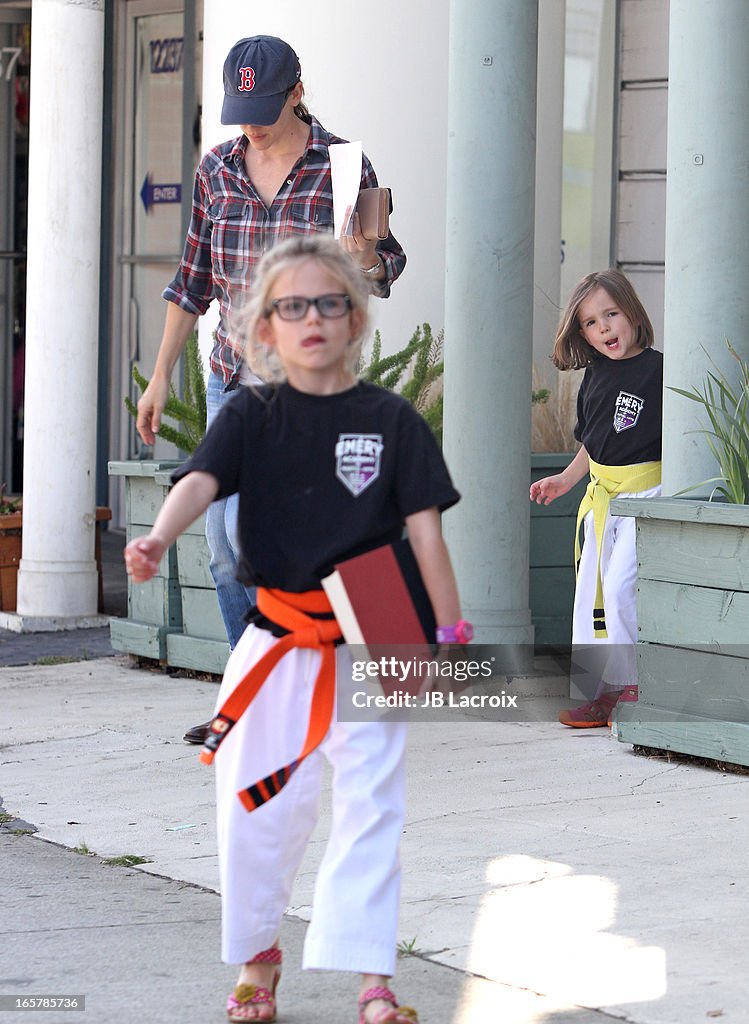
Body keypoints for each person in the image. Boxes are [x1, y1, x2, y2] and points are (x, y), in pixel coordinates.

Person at [124, 235, 468, 1023]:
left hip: (378, 616)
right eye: (291, 306)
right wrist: (158, 537)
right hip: (280, 624)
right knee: (252, 797)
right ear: (264, 328)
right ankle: (258, 957)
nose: (311, 317)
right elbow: (202, 480)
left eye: (328, 302)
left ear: (356, 318)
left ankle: (370, 977)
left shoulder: (391, 419)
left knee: (372, 803)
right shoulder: (251, 412)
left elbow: (426, 537)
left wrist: (449, 637)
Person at [134, 35, 406, 745]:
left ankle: (313, 684)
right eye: (240, 109)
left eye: (262, 106)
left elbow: (383, 268)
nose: (249, 123)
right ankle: (255, 688)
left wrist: (363, 255)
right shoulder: (217, 169)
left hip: (305, 390)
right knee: (226, 547)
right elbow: (191, 281)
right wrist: (161, 375)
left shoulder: (342, 166)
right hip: (229, 376)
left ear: (295, 91)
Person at [529, 269, 662, 728]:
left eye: (611, 314)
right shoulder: (596, 375)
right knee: (590, 597)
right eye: (590, 322)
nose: (604, 328)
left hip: (646, 495)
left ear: (632, 313)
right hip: (601, 499)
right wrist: (565, 480)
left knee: (622, 589)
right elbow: (593, 441)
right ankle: (597, 693)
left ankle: (631, 688)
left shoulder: (660, 370)